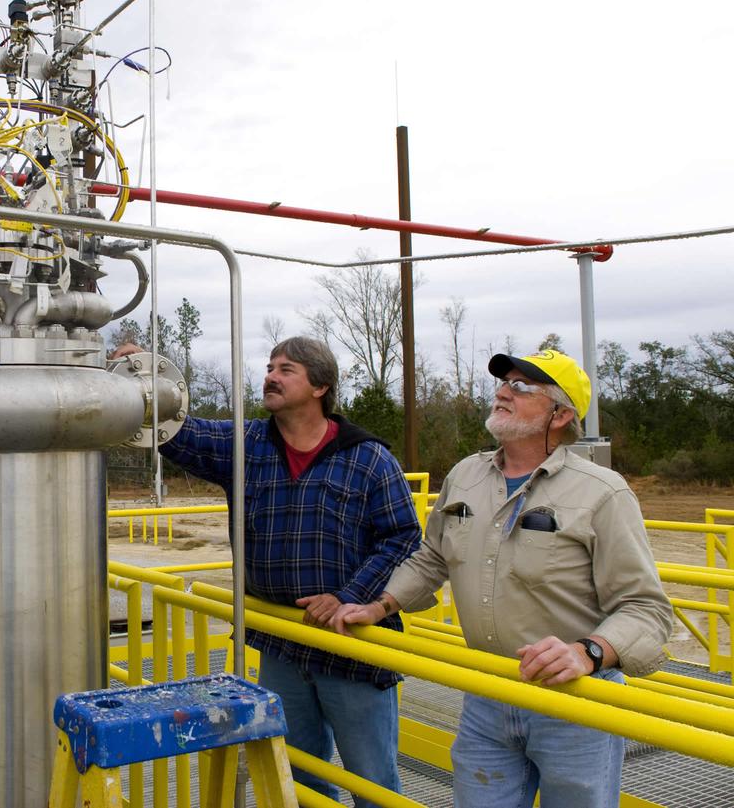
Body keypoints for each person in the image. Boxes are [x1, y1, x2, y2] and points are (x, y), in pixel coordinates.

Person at [332, 348, 672, 808]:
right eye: (503, 382)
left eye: (522, 386)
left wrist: (588, 652)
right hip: (488, 690)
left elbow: (646, 609)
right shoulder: (466, 475)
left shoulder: (602, 492)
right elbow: (433, 557)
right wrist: (379, 605)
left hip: (574, 700)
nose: (502, 392)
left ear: (561, 414)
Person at [113, 336, 421, 806]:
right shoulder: (247, 444)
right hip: (281, 637)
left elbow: (401, 536)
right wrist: (141, 376)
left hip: (351, 645)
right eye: (270, 366)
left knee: (373, 779)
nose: (271, 376)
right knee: (296, 774)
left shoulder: (368, 458)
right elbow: (178, 430)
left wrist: (349, 594)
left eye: (286, 369)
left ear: (320, 386)